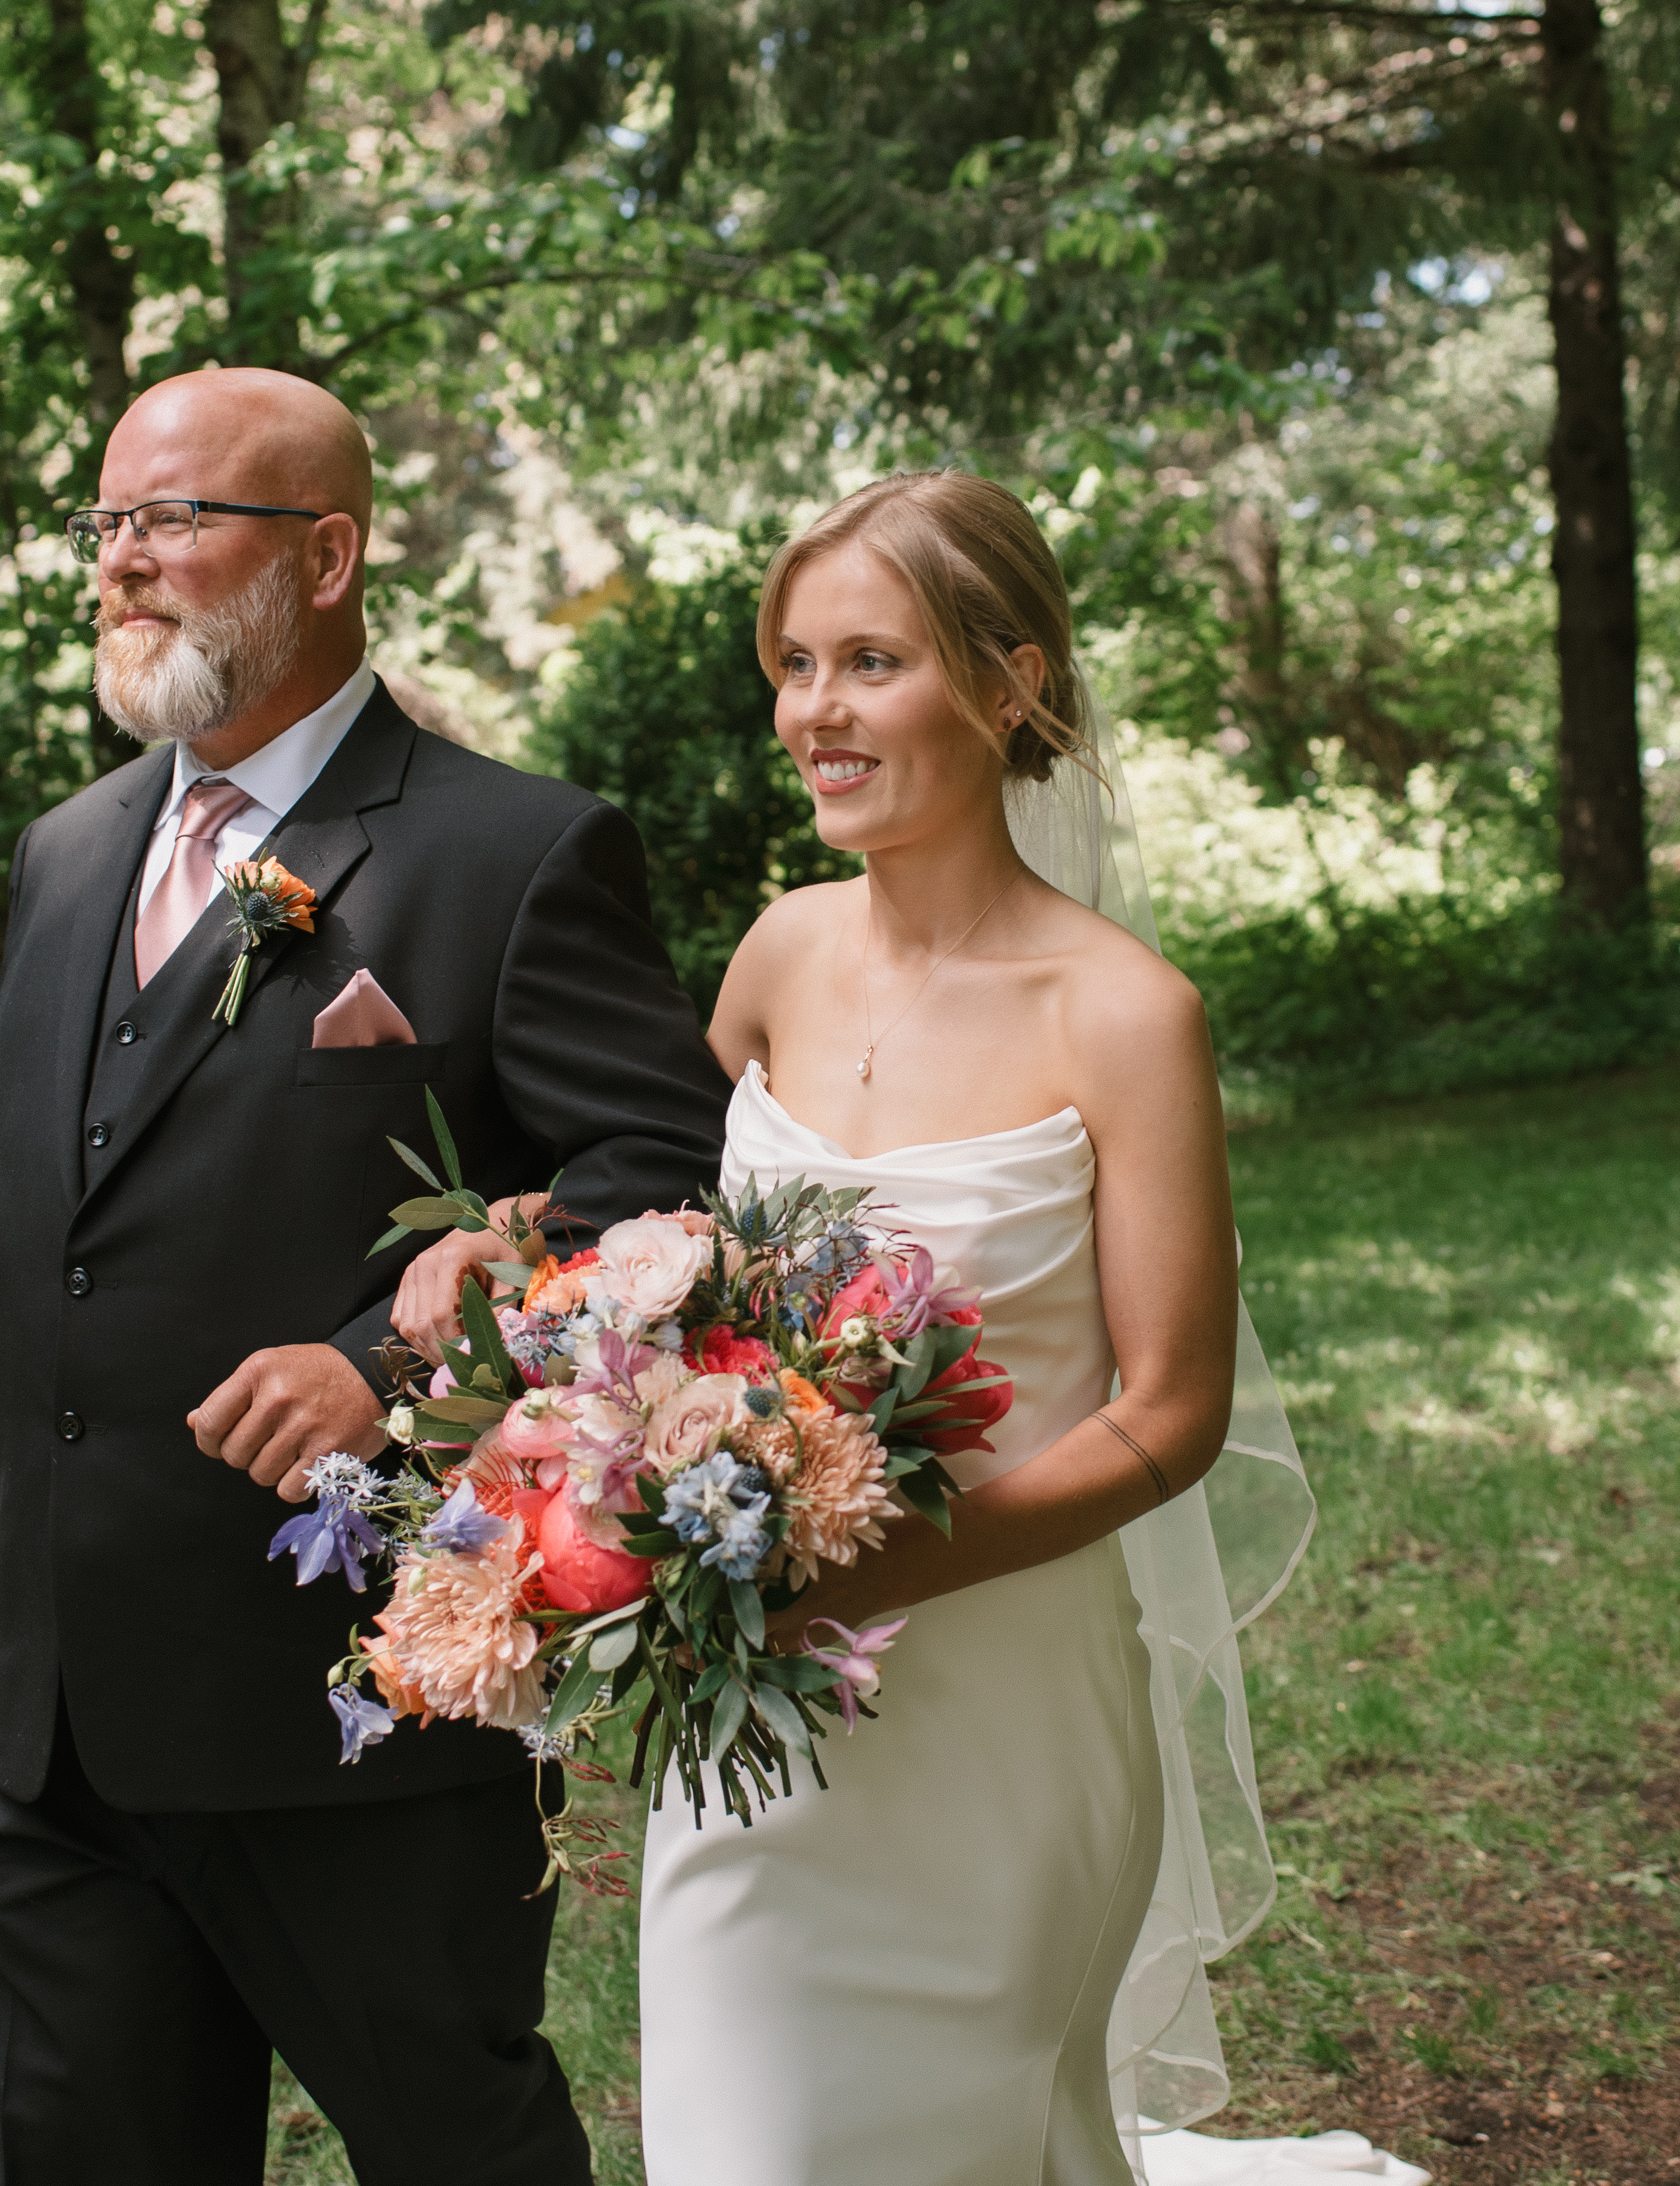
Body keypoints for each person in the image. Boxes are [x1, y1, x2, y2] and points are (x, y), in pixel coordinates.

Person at [400, 472, 1354, 2184]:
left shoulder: (1126, 1015)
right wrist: (522, 1269)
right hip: (759, 1719)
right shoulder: (777, 953)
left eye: (870, 663)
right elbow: (665, 1250)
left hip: (997, 1711)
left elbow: (1169, 1414)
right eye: (792, 664)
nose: (813, 714)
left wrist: (873, 1576)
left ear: (1013, 684)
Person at [0, 367, 729, 2186]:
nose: (123, 566)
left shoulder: (512, 853)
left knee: (454, 2151)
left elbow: (655, 1182)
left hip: (358, 1707)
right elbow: (16, 1222)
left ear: (326, 554)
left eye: (174, 522)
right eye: (106, 526)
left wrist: (391, 1369)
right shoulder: (65, 855)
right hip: (61, 1717)